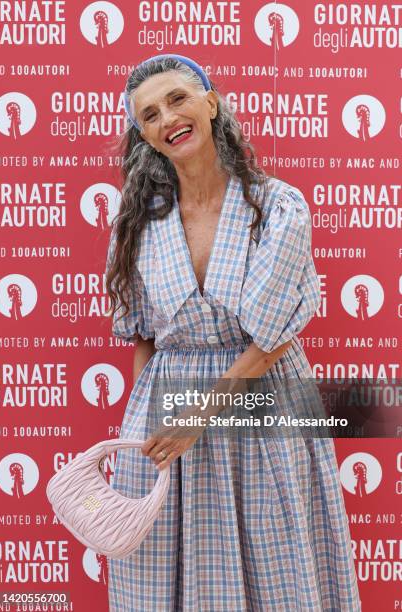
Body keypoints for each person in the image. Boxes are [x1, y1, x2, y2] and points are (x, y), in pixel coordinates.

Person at [104, 54, 361, 611]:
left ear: (210, 102)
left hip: (259, 405)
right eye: (149, 114)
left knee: (274, 572)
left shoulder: (276, 207)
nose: (167, 118)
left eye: (177, 99)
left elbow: (270, 341)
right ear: (143, 134)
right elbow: (142, 333)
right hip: (170, 416)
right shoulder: (138, 220)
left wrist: (199, 414)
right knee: (159, 576)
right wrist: (145, 427)